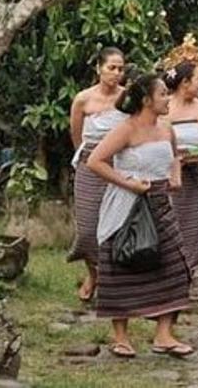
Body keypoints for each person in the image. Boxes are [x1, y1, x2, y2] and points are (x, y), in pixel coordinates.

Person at [87, 70, 193, 359]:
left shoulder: (166, 127)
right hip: (128, 203)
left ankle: (164, 334)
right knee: (121, 262)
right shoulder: (126, 129)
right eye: (162, 94)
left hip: (160, 203)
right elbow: (95, 161)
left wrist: (175, 176)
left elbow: (175, 155)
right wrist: (128, 183)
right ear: (146, 99)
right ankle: (120, 337)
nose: (168, 99)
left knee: (176, 265)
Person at [66, 46, 126, 302]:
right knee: (89, 227)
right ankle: (93, 273)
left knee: (117, 225)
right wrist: (89, 157)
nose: (116, 73)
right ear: (99, 68)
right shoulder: (83, 98)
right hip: (90, 163)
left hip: (120, 163)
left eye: (120, 69)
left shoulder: (127, 97)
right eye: (111, 67)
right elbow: (76, 134)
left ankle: (115, 281)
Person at [160, 34, 198, 273]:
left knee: (194, 226)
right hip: (170, 177)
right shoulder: (164, 107)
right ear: (184, 82)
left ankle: (189, 269)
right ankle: (170, 268)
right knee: (170, 222)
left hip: (196, 177)